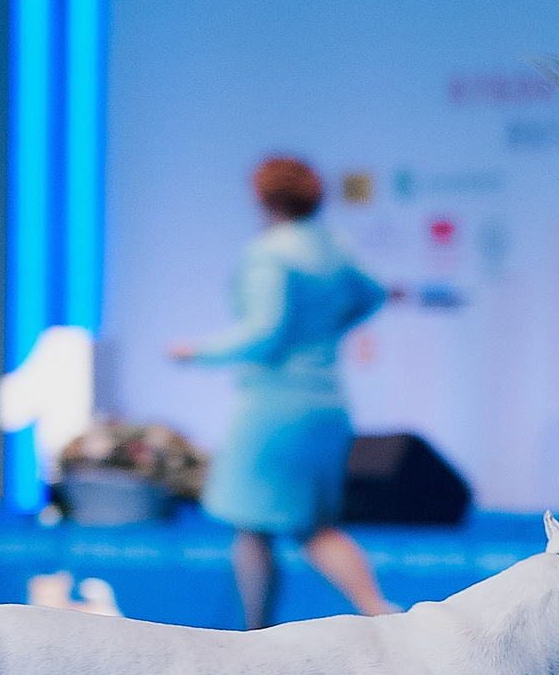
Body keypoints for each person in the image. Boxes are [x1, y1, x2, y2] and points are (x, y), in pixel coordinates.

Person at [169, 156, 397, 629]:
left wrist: (197, 351)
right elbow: (373, 293)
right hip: (326, 401)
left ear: (263, 199)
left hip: (275, 405)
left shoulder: (270, 253)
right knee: (315, 528)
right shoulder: (333, 246)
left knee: (251, 526)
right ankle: (380, 611)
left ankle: (255, 635)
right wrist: (328, 329)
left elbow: (264, 331)